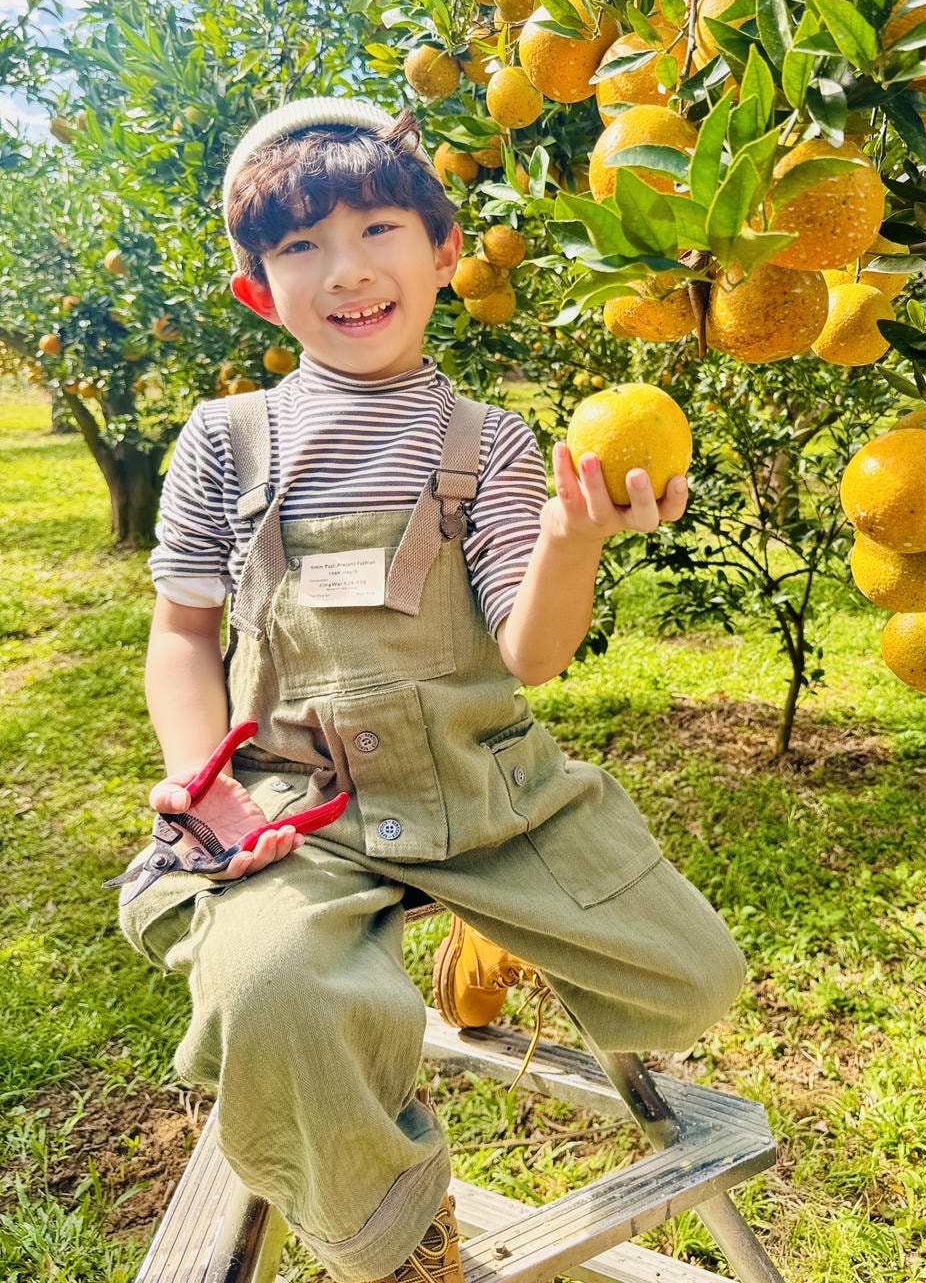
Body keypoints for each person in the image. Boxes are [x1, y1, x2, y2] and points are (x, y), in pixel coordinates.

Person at [117, 97, 746, 1283]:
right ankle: (395, 1231)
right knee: (276, 994)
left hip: (479, 785)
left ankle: (484, 919)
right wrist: (208, 789)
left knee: (694, 974)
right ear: (259, 288)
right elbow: (183, 632)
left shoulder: (495, 442)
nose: (346, 272)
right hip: (295, 804)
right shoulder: (228, 439)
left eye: (378, 229)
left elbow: (527, 653)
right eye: (301, 247)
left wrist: (570, 537)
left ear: (446, 253)